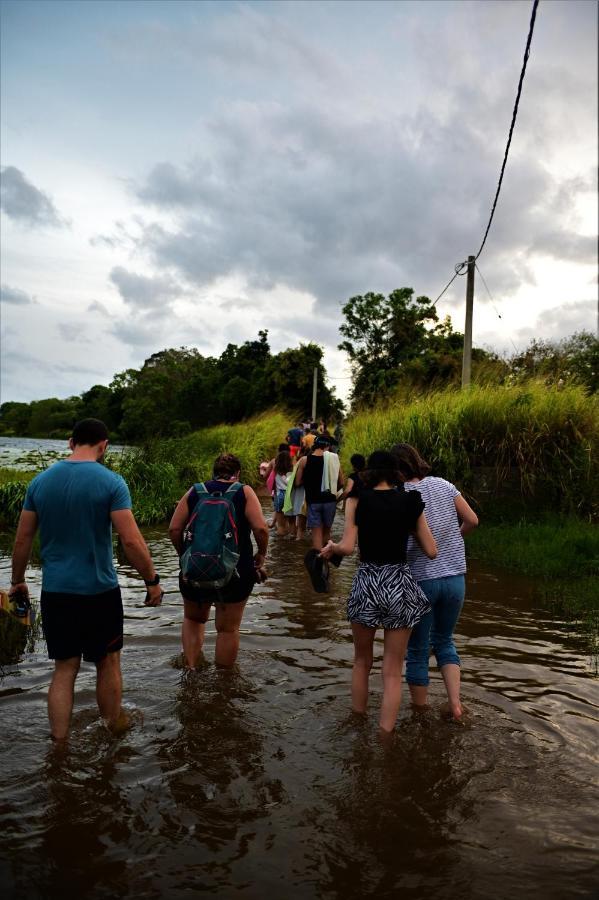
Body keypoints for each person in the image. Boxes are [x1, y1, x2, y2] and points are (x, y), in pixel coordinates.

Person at [9, 418, 163, 742]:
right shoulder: (112, 483)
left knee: (64, 670)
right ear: (104, 445)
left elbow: (22, 541)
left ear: (70, 442)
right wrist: (151, 579)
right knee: (107, 663)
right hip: (99, 592)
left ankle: (59, 747)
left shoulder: (39, 482)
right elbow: (132, 541)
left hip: (56, 592)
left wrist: (17, 581)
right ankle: (112, 733)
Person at [321, 450, 436, 733]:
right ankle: (386, 735)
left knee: (361, 661)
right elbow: (432, 551)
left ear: (368, 473)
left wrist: (331, 548)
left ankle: (358, 724)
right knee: (393, 670)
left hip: (367, 581)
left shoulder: (357, 500)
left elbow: (347, 548)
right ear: (397, 473)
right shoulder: (411, 501)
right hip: (399, 583)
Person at [391, 442, 479, 722]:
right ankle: (455, 706)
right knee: (445, 641)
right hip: (455, 579)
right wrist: (452, 540)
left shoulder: (402, 494)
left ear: (396, 470)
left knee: (417, 650)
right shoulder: (444, 484)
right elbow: (473, 520)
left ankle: (421, 714)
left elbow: (401, 544)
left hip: (422, 580)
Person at [169, 453, 268, 669]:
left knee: (194, 620)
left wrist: (183, 556)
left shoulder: (195, 491)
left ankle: (192, 671)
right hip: (236, 572)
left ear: (213, 473)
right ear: (237, 473)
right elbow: (261, 528)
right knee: (227, 629)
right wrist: (261, 554)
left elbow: (174, 528)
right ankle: (223, 687)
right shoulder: (244, 491)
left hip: (194, 569)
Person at [294, 435, 343, 550]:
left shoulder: (305, 460)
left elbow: (297, 483)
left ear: (314, 445)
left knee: (316, 536)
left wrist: (308, 481)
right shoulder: (334, 459)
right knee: (326, 534)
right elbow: (341, 482)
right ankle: (325, 563)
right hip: (330, 501)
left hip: (313, 502)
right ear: (327, 446)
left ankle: (317, 561)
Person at [273, 450, 295, 536]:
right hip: (290, 495)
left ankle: (280, 543)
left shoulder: (275, 470)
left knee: (281, 525)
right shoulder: (292, 471)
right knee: (292, 522)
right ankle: (293, 542)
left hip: (280, 495)